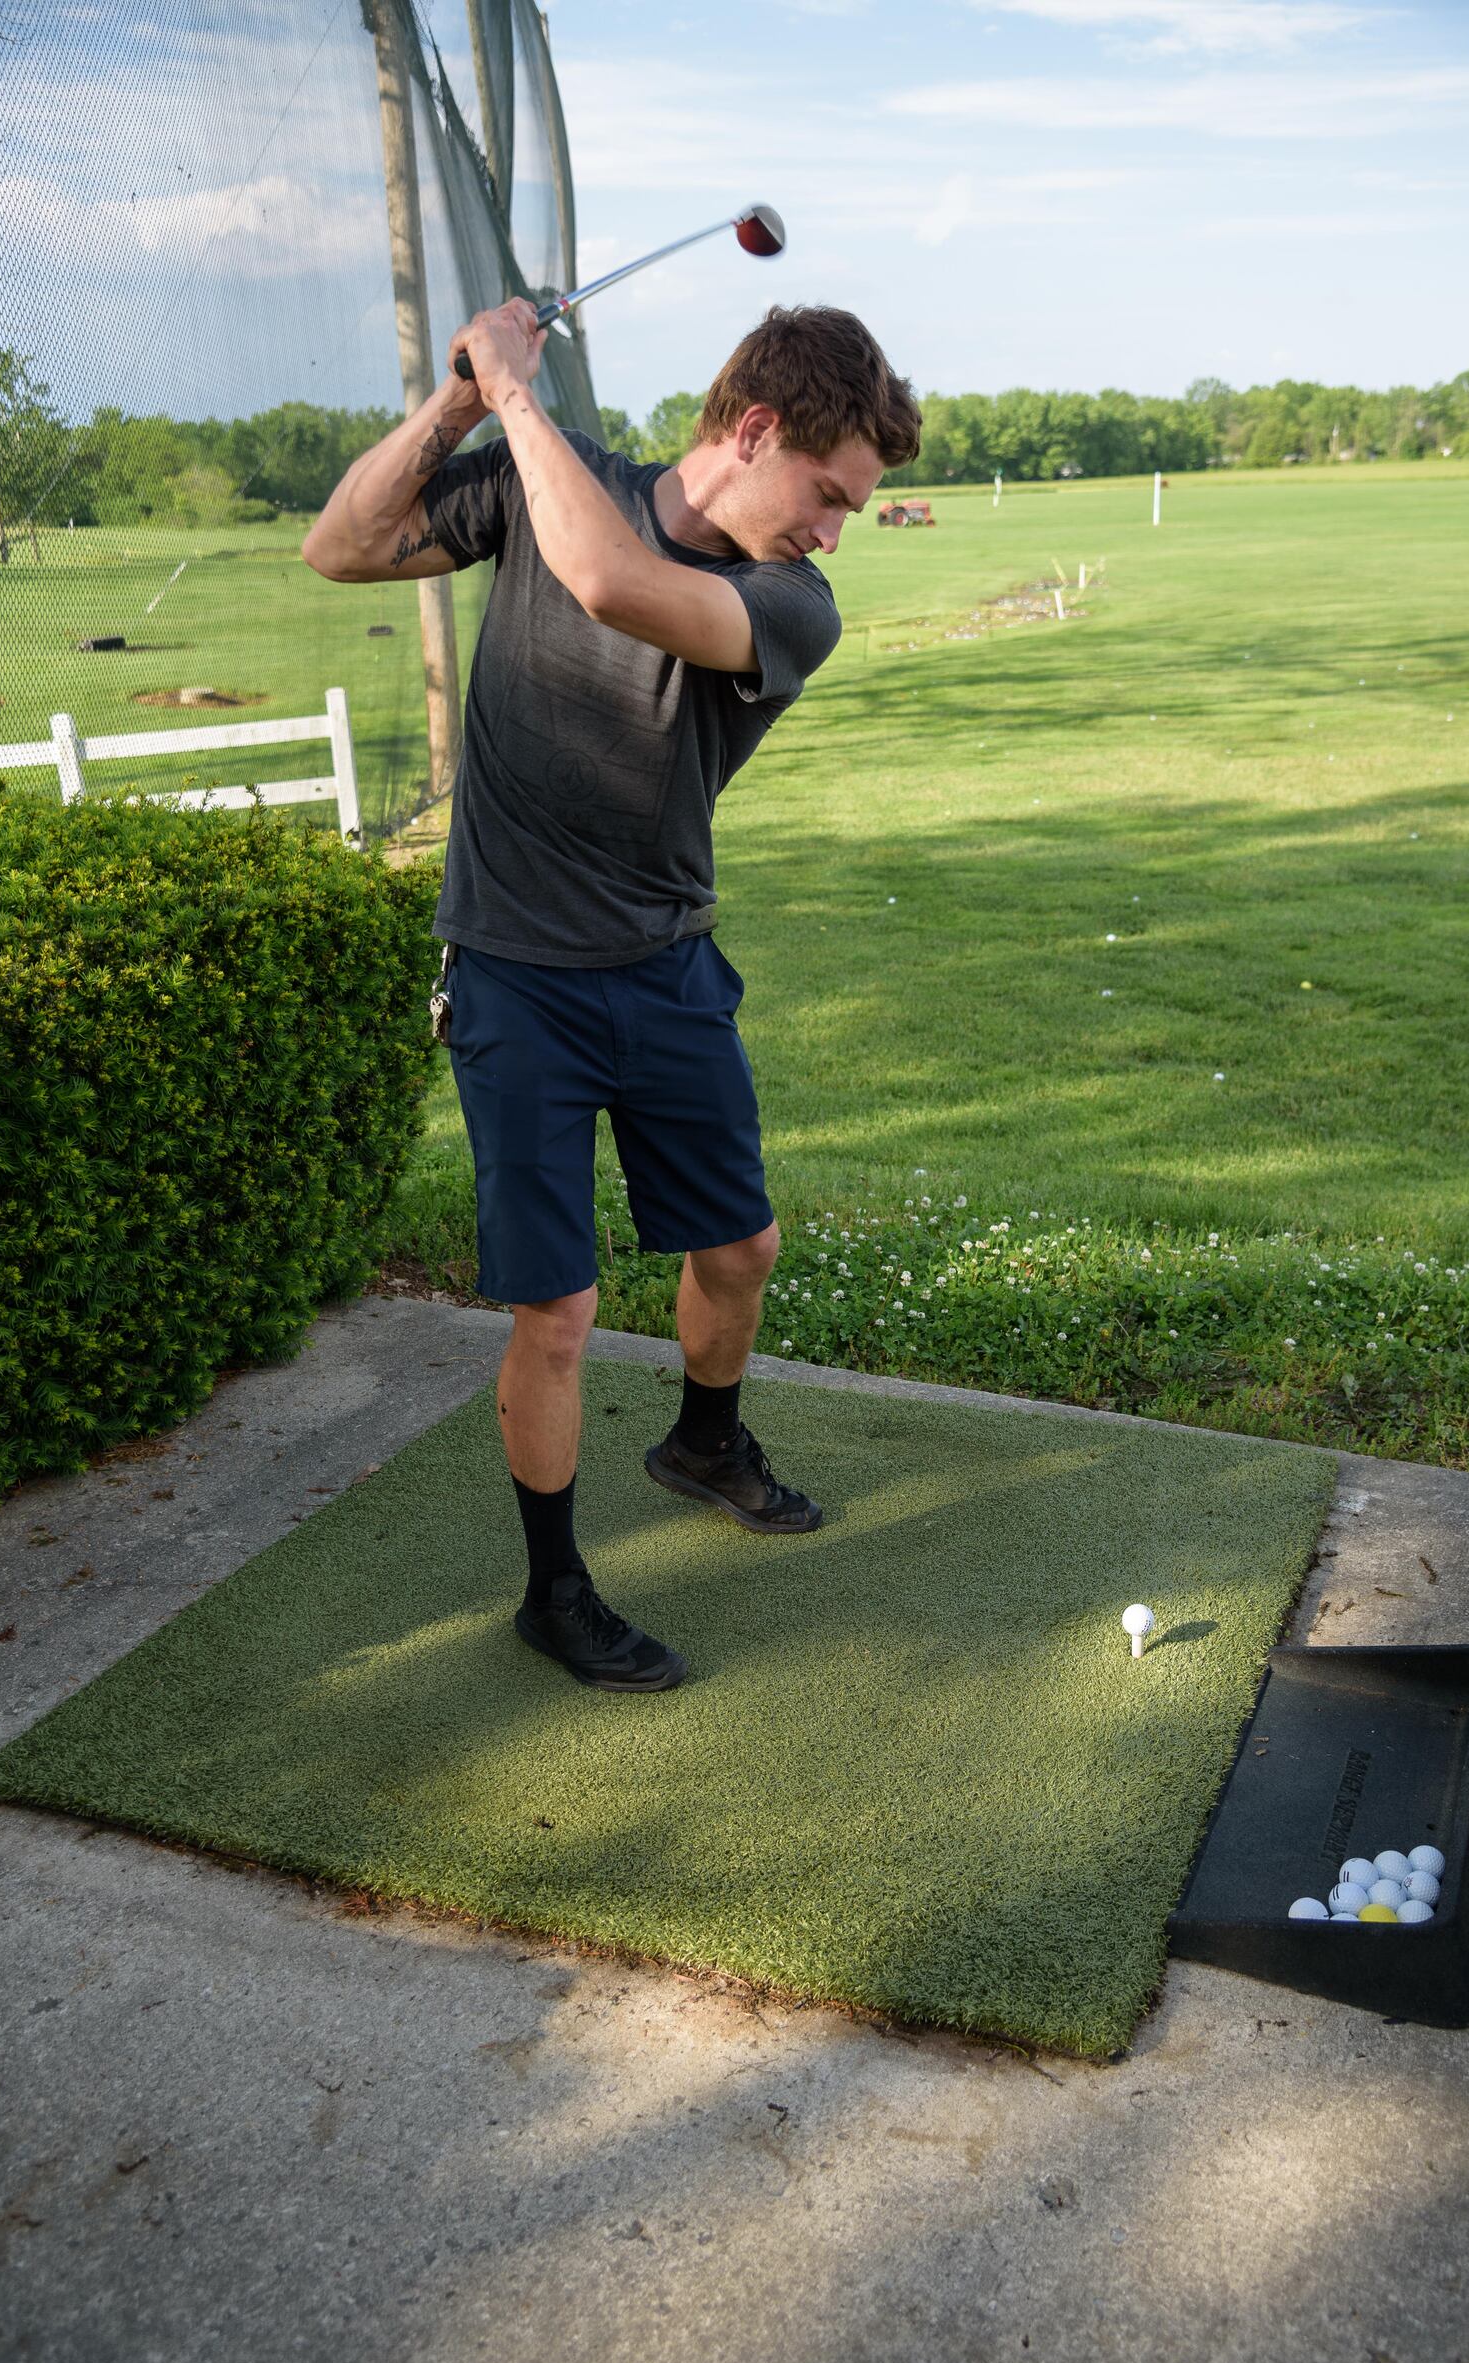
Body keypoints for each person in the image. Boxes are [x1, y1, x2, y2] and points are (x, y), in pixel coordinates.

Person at [303, 300, 920, 1693]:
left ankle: (704, 1435)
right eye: (829, 494)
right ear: (753, 431)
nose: (833, 530)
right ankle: (557, 1587)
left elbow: (609, 582)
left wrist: (518, 400)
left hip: (666, 964)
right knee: (560, 1309)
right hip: (518, 975)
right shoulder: (539, 478)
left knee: (741, 1248)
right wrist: (465, 401)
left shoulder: (789, 606)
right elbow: (338, 545)